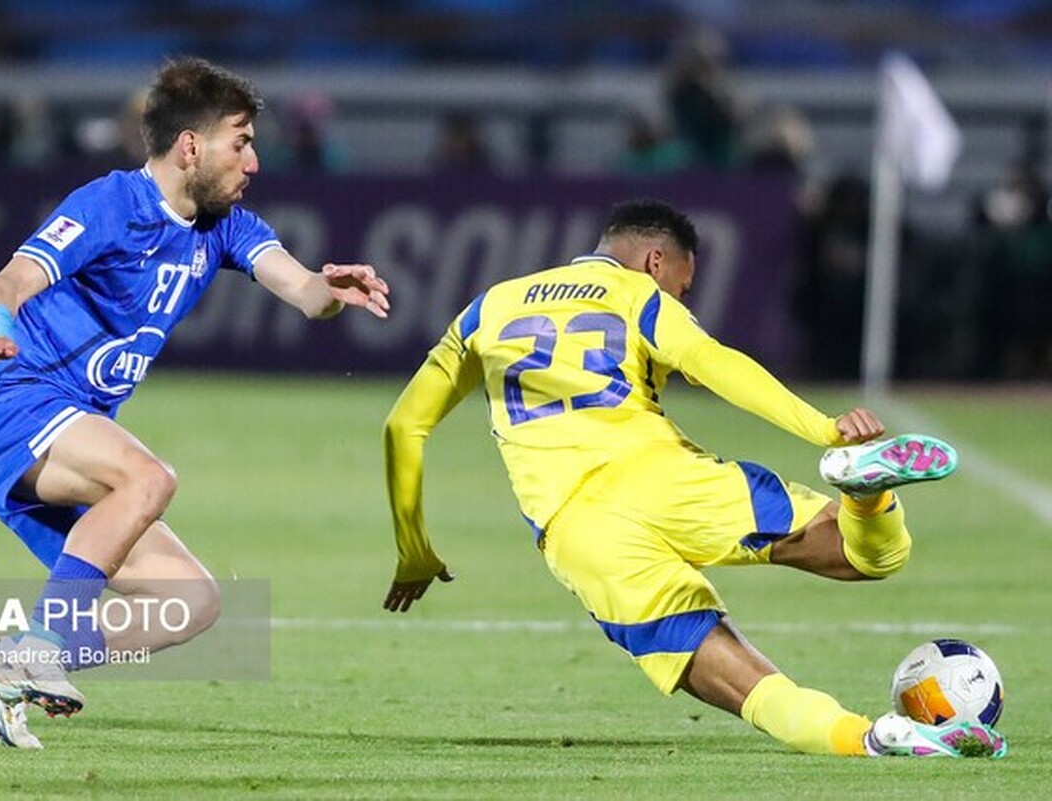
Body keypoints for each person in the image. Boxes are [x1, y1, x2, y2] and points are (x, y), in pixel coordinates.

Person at [381, 198, 1007, 759]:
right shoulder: (636, 296)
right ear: (656, 261)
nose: (681, 300)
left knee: (752, 688)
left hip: (577, 528)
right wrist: (823, 429)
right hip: (663, 476)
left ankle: (869, 739)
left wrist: (415, 548)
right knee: (867, 554)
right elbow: (713, 362)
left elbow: (404, 427)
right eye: (683, 288)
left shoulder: (487, 308)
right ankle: (865, 492)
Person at [0, 57, 390, 749]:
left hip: (74, 436)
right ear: (190, 147)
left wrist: (333, 288)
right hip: (15, 407)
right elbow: (5, 282)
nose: (254, 161)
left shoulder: (225, 227)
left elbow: (301, 289)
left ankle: (8, 658)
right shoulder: (109, 206)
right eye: (240, 141)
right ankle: (43, 643)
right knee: (149, 477)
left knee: (192, 603)